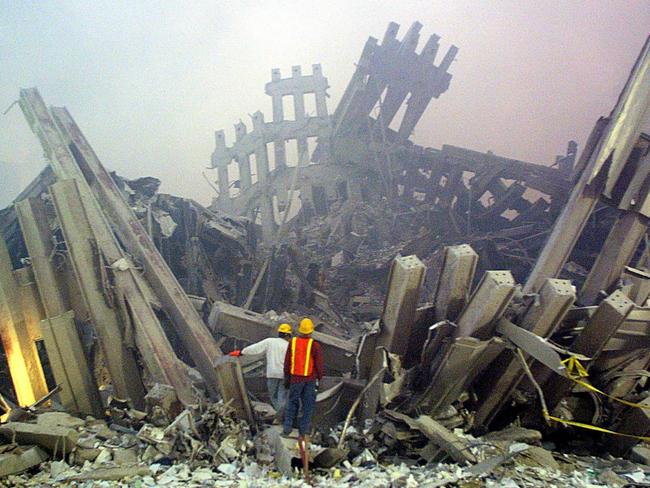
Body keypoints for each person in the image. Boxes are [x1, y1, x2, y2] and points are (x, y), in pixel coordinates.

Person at [228, 323, 293, 413]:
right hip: (284, 375)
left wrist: (241, 352)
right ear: (288, 335)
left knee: (273, 396)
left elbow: (255, 348)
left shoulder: (270, 341)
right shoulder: (290, 346)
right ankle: (282, 415)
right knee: (282, 396)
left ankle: (280, 414)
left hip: (272, 374)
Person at [282, 317, 324, 437]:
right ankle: (304, 432)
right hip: (310, 380)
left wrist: (287, 378)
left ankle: (287, 429)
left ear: (300, 330)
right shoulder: (314, 345)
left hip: (295, 379)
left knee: (292, 403)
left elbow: (287, 362)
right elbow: (319, 364)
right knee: (307, 405)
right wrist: (319, 378)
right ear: (311, 331)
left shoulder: (293, 342)